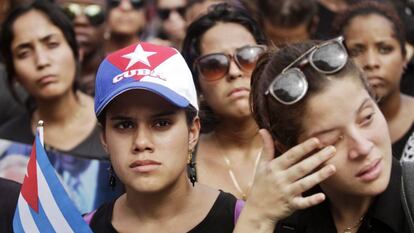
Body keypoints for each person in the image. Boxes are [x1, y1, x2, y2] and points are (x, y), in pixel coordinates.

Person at [233, 37, 411, 232]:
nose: (362, 147)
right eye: (332, 140)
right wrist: (257, 217)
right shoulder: (281, 221)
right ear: (288, 149)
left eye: (367, 117)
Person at [88, 41, 239, 232]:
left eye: (161, 123)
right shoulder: (80, 228)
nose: (141, 142)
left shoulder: (244, 220)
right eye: (124, 125)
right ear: (104, 138)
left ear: (192, 132)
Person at [181, 3, 267, 200]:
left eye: (248, 57)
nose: (234, 72)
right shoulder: (180, 161)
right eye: (214, 64)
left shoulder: (296, 143)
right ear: (198, 84)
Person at [0, 0, 106, 159]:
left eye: (52, 44)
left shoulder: (115, 124)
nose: (42, 61)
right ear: (13, 73)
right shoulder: (7, 142)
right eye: (24, 53)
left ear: (77, 52)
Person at [333, 1, 414, 160]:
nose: (371, 62)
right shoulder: (331, 139)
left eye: (385, 49)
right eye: (356, 51)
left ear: (404, 57)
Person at [57, 0, 107, 95]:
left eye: (95, 13)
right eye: (68, 12)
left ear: (108, 25)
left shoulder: (120, 76)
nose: (80, 21)